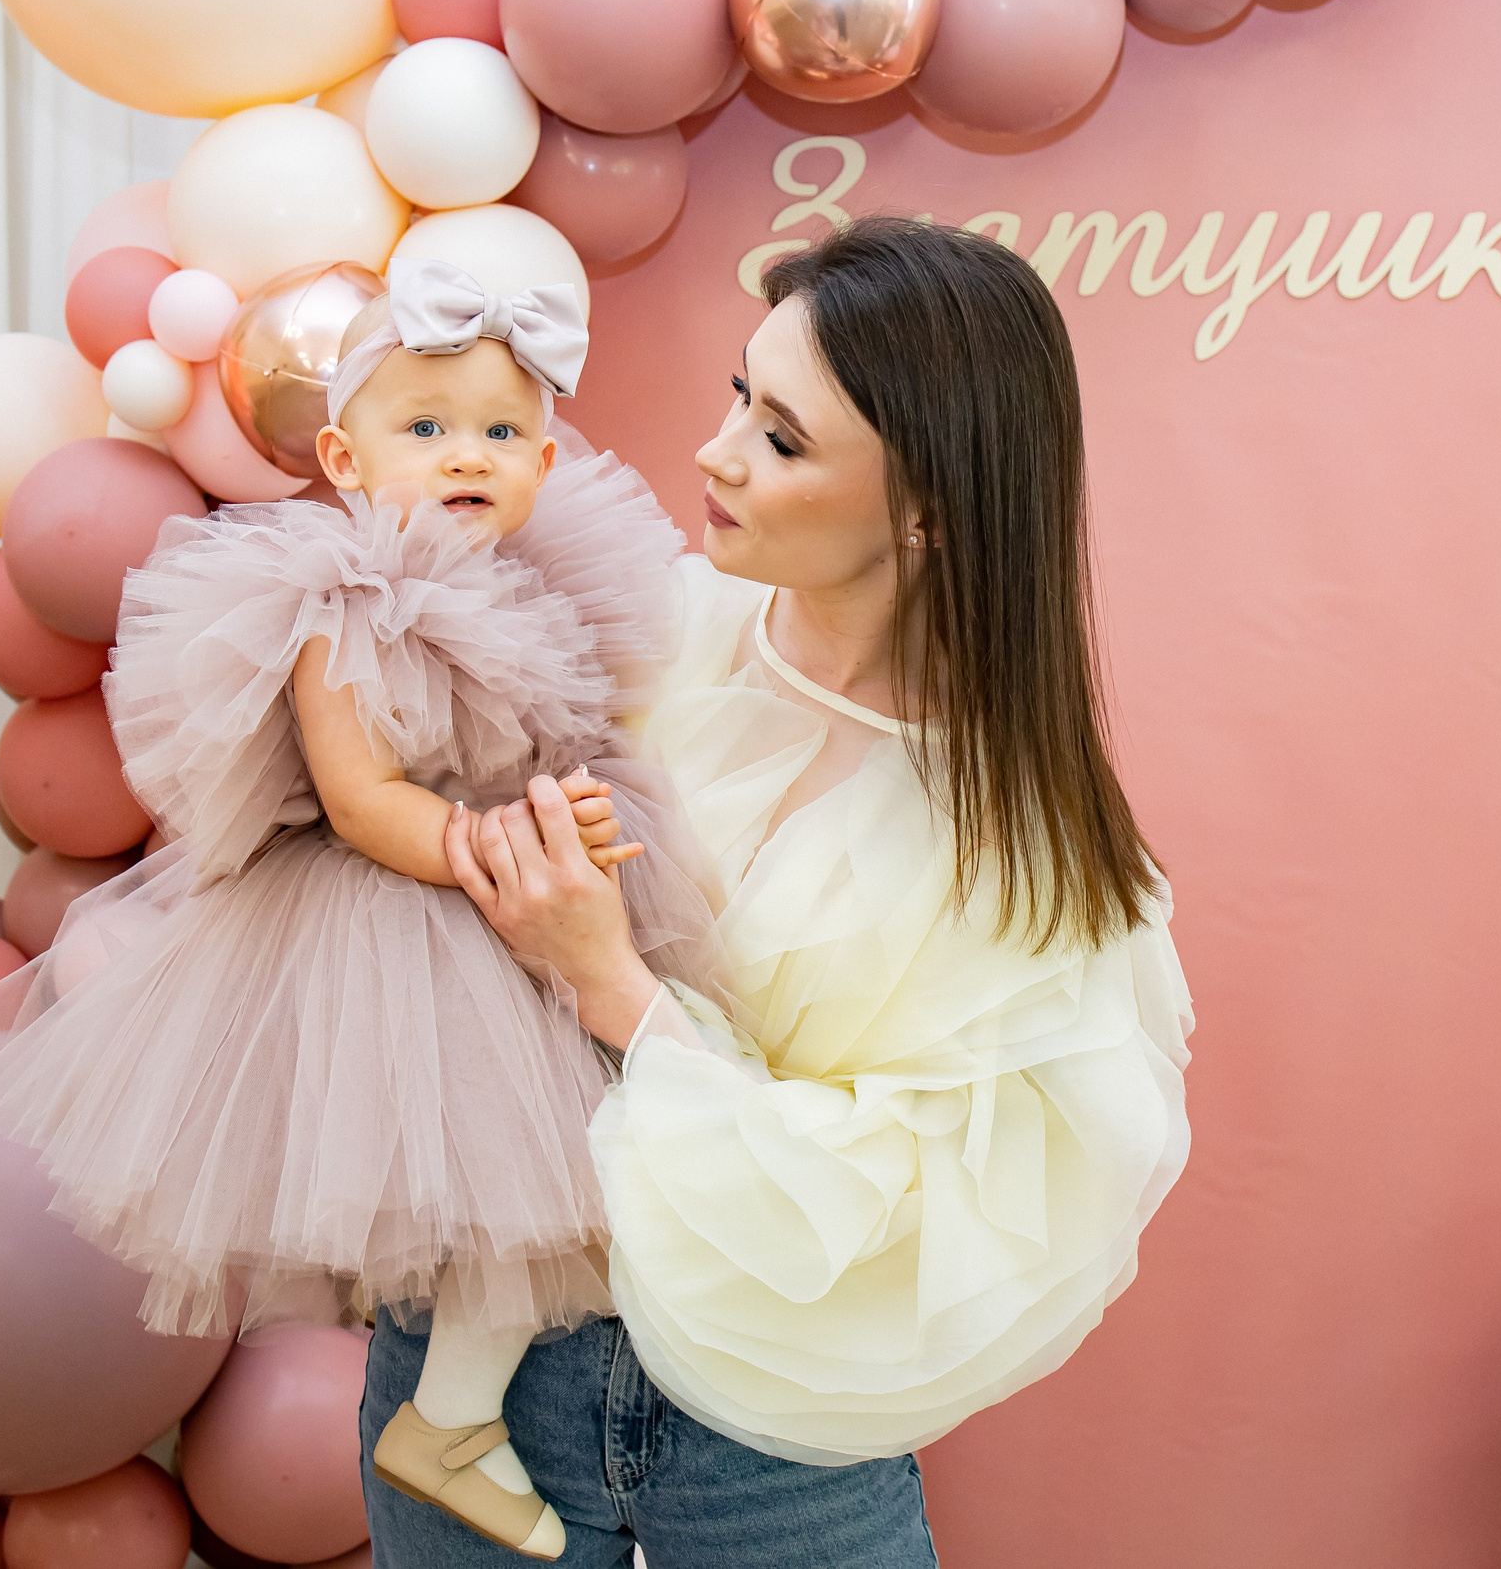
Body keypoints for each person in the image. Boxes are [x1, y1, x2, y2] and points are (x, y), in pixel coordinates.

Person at [369, 215, 1197, 1564]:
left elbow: (927, 1208)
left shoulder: (1018, 841)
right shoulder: (624, 630)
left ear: (928, 509)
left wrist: (610, 981)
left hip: (772, 1434)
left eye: (784, 440)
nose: (717, 453)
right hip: (482, 1376)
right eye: (738, 395)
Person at [0, 258, 720, 1560]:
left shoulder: (543, 590)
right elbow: (362, 796)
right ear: (344, 457)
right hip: (407, 919)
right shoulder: (344, 602)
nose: (467, 454)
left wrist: (571, 821)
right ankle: (453, 1421)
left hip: (514, 901)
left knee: (577, 1177)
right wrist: (488, 841)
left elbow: (553, 750)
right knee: (516, 1182)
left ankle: (456, 1417)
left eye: (502, 433)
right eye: (425, 427)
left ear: (543, 462)